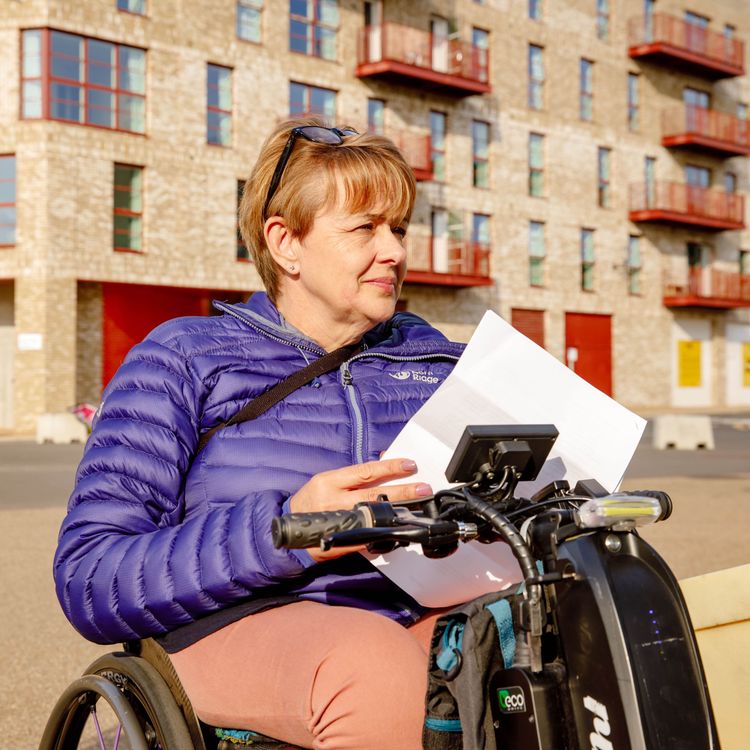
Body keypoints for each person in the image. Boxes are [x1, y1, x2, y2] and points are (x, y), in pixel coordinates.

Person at [53, 117, 465, 750]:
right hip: (234, 623)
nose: (395, 251)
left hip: (417, 613)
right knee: (369, 663)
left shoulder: (440, 361)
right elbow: (90, 576)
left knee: (573, 627)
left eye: (399, 228)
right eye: (364, 229)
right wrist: (287, 529)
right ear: (285, 244)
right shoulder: (186, 357)